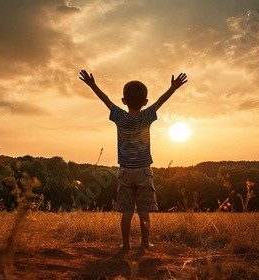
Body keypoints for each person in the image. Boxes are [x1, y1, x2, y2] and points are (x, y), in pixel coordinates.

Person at [79, 70, 188, 252]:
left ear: (123, 101)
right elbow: (161, 101)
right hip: (144, 171)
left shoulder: (119, 117)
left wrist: (92, 85)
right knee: (144, 209)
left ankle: (126, 245)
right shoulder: (146, 116)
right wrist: (173, 88)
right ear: (145, 102)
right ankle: (145, 244)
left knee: (127, 211)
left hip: (125, 171)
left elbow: (105, 100)